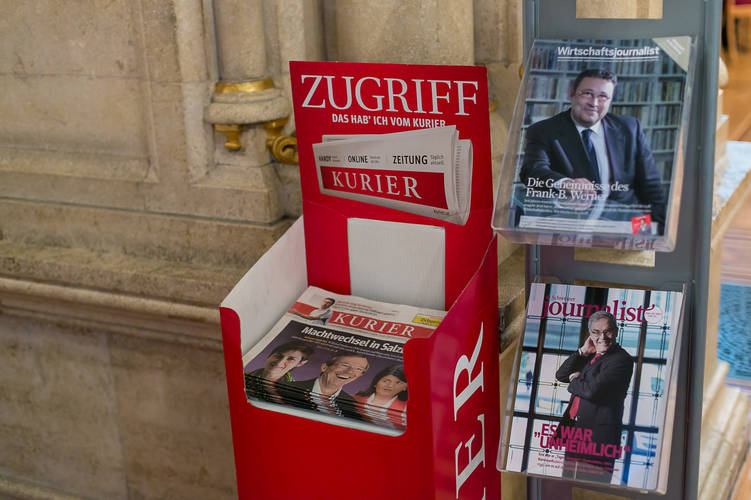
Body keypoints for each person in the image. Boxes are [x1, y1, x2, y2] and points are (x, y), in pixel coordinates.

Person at [520, 68, 667, 231]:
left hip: (625, 225)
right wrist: (566, 183)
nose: (594, 103)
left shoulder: (630, 128)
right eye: (587, 93)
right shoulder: (543, 130)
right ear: (571, 94)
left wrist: (657, 230)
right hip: (572, 224)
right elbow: (532, 171)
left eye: (603, 96)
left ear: (610, 100)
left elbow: (651, 186)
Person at [554, 310, 634, 483]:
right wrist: (583, 351)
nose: (602, 337)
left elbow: (592, 391)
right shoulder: (591, 355)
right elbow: (561, 375)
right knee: (566, 484)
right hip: (575, 432)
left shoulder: (621, 360)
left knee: (592, 487)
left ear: (616, 331)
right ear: (590, 334)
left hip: (599, 439)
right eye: (596, 332)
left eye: (607, 331)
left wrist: (575, 379)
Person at [275, 352, 369, 420]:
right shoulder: (286, 388)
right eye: (344, 365)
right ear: (324, 367)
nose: (349, 371)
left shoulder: (352, 405)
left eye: (358, 369)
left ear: (360, 375)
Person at [244, 341, 314, 401]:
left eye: (291, 359)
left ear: (300, 364)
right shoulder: (244, 376)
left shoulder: (291, 393)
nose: (279, 362)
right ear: (269, 356)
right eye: (278, 355)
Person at [354, 365, 408, 430]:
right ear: (376, 382)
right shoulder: (353, 399)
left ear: (405, 387)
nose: (390, 386)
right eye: (386, 381)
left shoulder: (407, 410)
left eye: (398, 383)